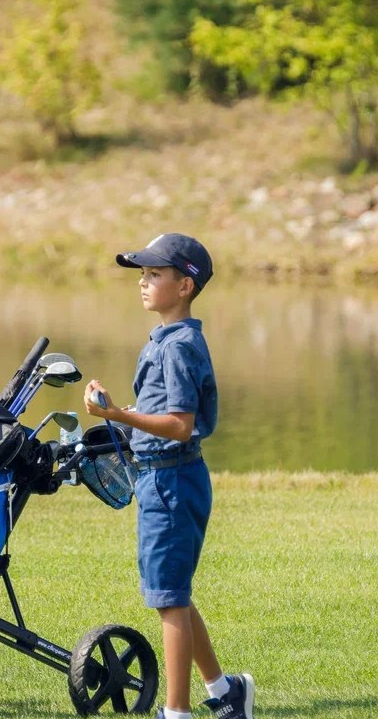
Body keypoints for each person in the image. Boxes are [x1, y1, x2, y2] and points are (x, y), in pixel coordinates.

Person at [84, 233, 254, 719]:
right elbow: (168, 413)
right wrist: (122, 412)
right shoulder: (169, 339)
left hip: (171, 484)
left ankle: (175, 713)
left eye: (154, 274)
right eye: (142, 273)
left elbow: (179, 426)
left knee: (169, 602)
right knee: (173, 593)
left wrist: (119, 414)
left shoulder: (177, 347)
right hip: (167, 480)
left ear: (184, 286)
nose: (143, 282)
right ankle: (226, 694)